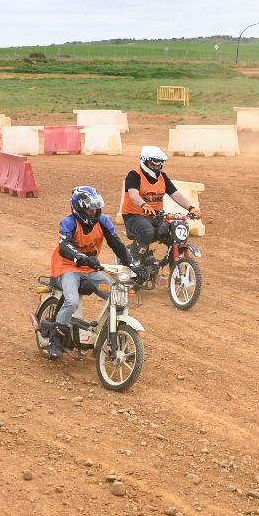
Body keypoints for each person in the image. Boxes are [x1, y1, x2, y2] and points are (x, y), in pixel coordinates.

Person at [40, 186, 138, 359]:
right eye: (90, 208)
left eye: (96, 207)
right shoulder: (68, 222)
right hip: (66, 268)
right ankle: (55, 340)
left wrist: (133, 265)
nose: (94, 211)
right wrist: (81, 256)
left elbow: (117, 245)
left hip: (91, 269)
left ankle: (112, 337)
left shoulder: (104, 221)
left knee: (117, 296)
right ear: (79, 208)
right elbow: (64, 247)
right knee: (71, 301)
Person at [119, 145, 201, 262]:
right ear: (144, 161)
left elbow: (176, 195)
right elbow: (133, 194)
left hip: (156, 216)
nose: (156, 167)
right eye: (153, 164)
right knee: (148, 231)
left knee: (174, 230)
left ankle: (175, 264)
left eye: (159, 164)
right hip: (134, 216)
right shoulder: (134, 175)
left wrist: (191, 208)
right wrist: (143, 204)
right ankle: (133, 258)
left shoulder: (163, 177)